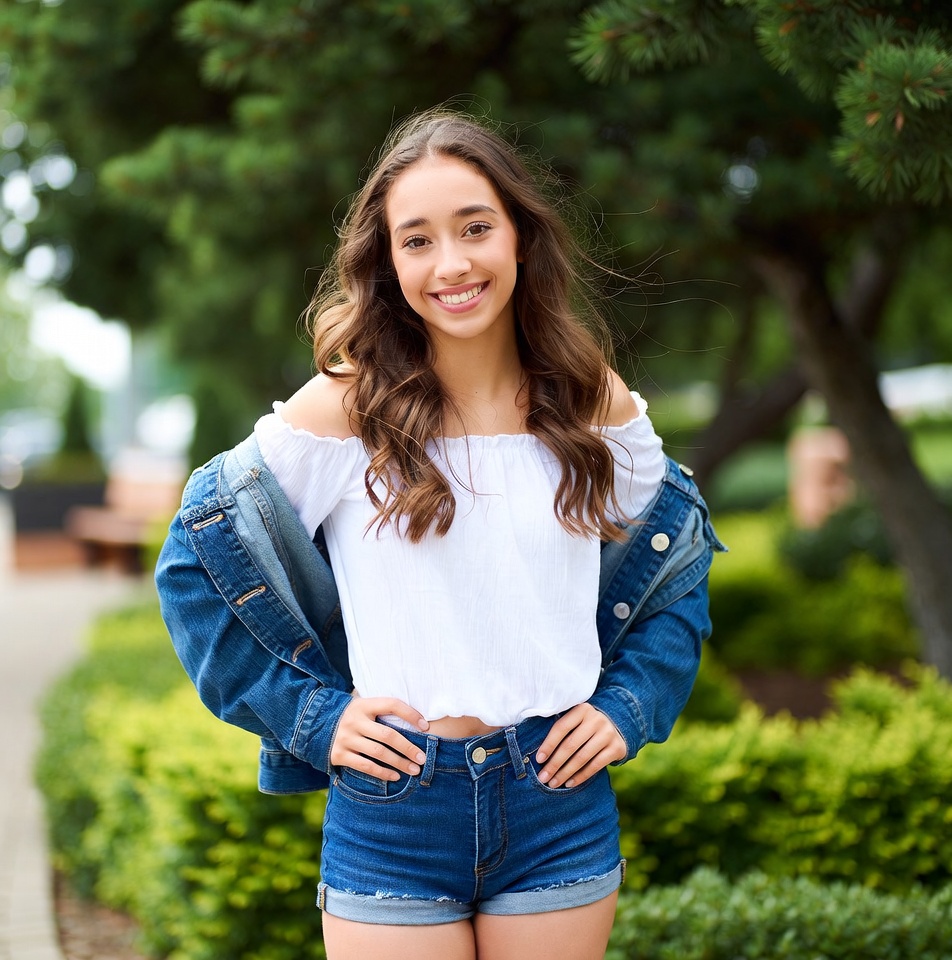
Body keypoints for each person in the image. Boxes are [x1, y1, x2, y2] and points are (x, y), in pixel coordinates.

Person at [156, 108, 724, 960]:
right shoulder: (346, 411)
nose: (451, 263)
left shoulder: (588, 400)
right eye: (416, 240)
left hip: (556, 799)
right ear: (387, 263)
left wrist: (631, 707)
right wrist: (313, 719)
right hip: (394, 807)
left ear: (520, 239)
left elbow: (676, 566)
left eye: (475, 228)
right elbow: (192, 566)